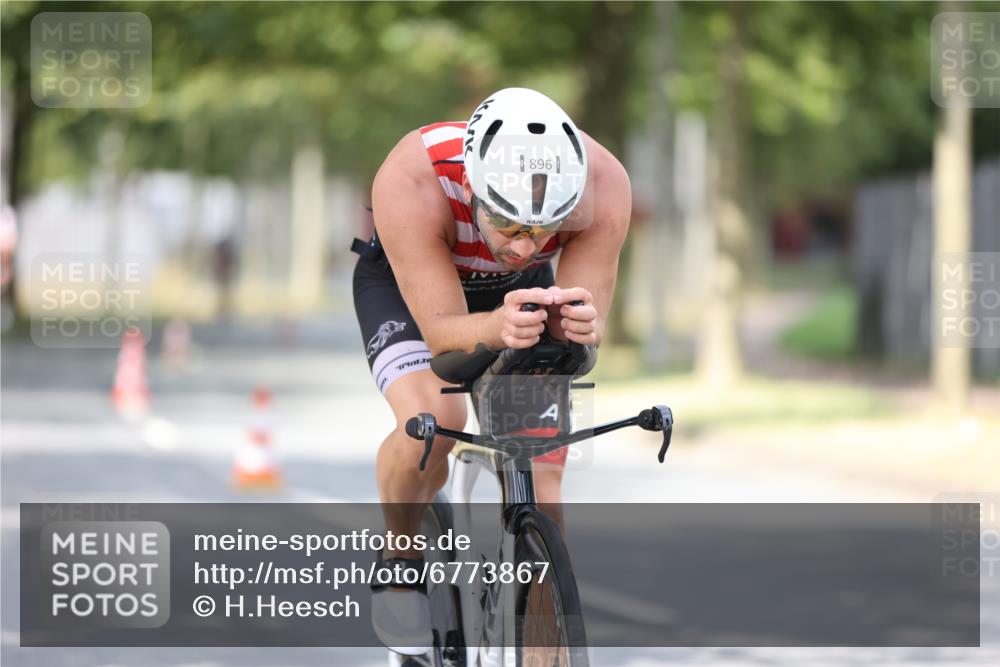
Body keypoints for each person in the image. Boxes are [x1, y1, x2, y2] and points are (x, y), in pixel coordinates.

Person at [351, 87, 631, 656]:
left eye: (544, 230)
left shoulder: (604, 183)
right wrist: (493, 325)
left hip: (518, 301)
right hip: (413, 293)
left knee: (543, 479)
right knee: (434, 421)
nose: (526, 247)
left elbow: (590, 322)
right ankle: (401, 553)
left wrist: (577, 326)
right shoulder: (412, 177)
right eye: (507, 226)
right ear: (476, 190)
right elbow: (442, 332)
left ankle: (540, 644)